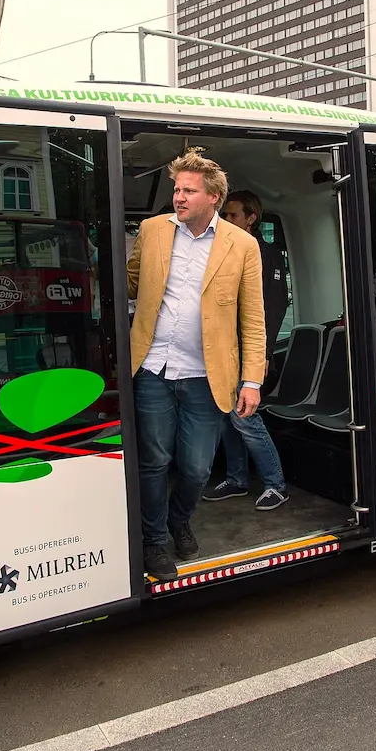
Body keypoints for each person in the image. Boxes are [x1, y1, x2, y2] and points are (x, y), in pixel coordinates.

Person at [127, 151, 267, 581]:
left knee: (196, 467)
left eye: (189, 191)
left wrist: (251, 381)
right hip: (152, 367)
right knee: (153, 461)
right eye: (177, 189)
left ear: (214, 197)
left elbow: (253, 319)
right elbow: (130, 278)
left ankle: (178, 519)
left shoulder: (242, 245)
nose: (179, 197)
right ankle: (153, 542)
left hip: (208, 376)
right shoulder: (151, 231)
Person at [201, 189, 289, 512]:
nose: (226, 220)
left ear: (251, 218)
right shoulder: (227, 252)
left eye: (233, 215)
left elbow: (274, 307)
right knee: (227, 416)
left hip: (250, 353)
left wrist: (262, 354)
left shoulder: (266, 255)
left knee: (245, 418)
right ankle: (238, 478)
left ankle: (275, 483)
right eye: (224, 215)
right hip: (226, 351)